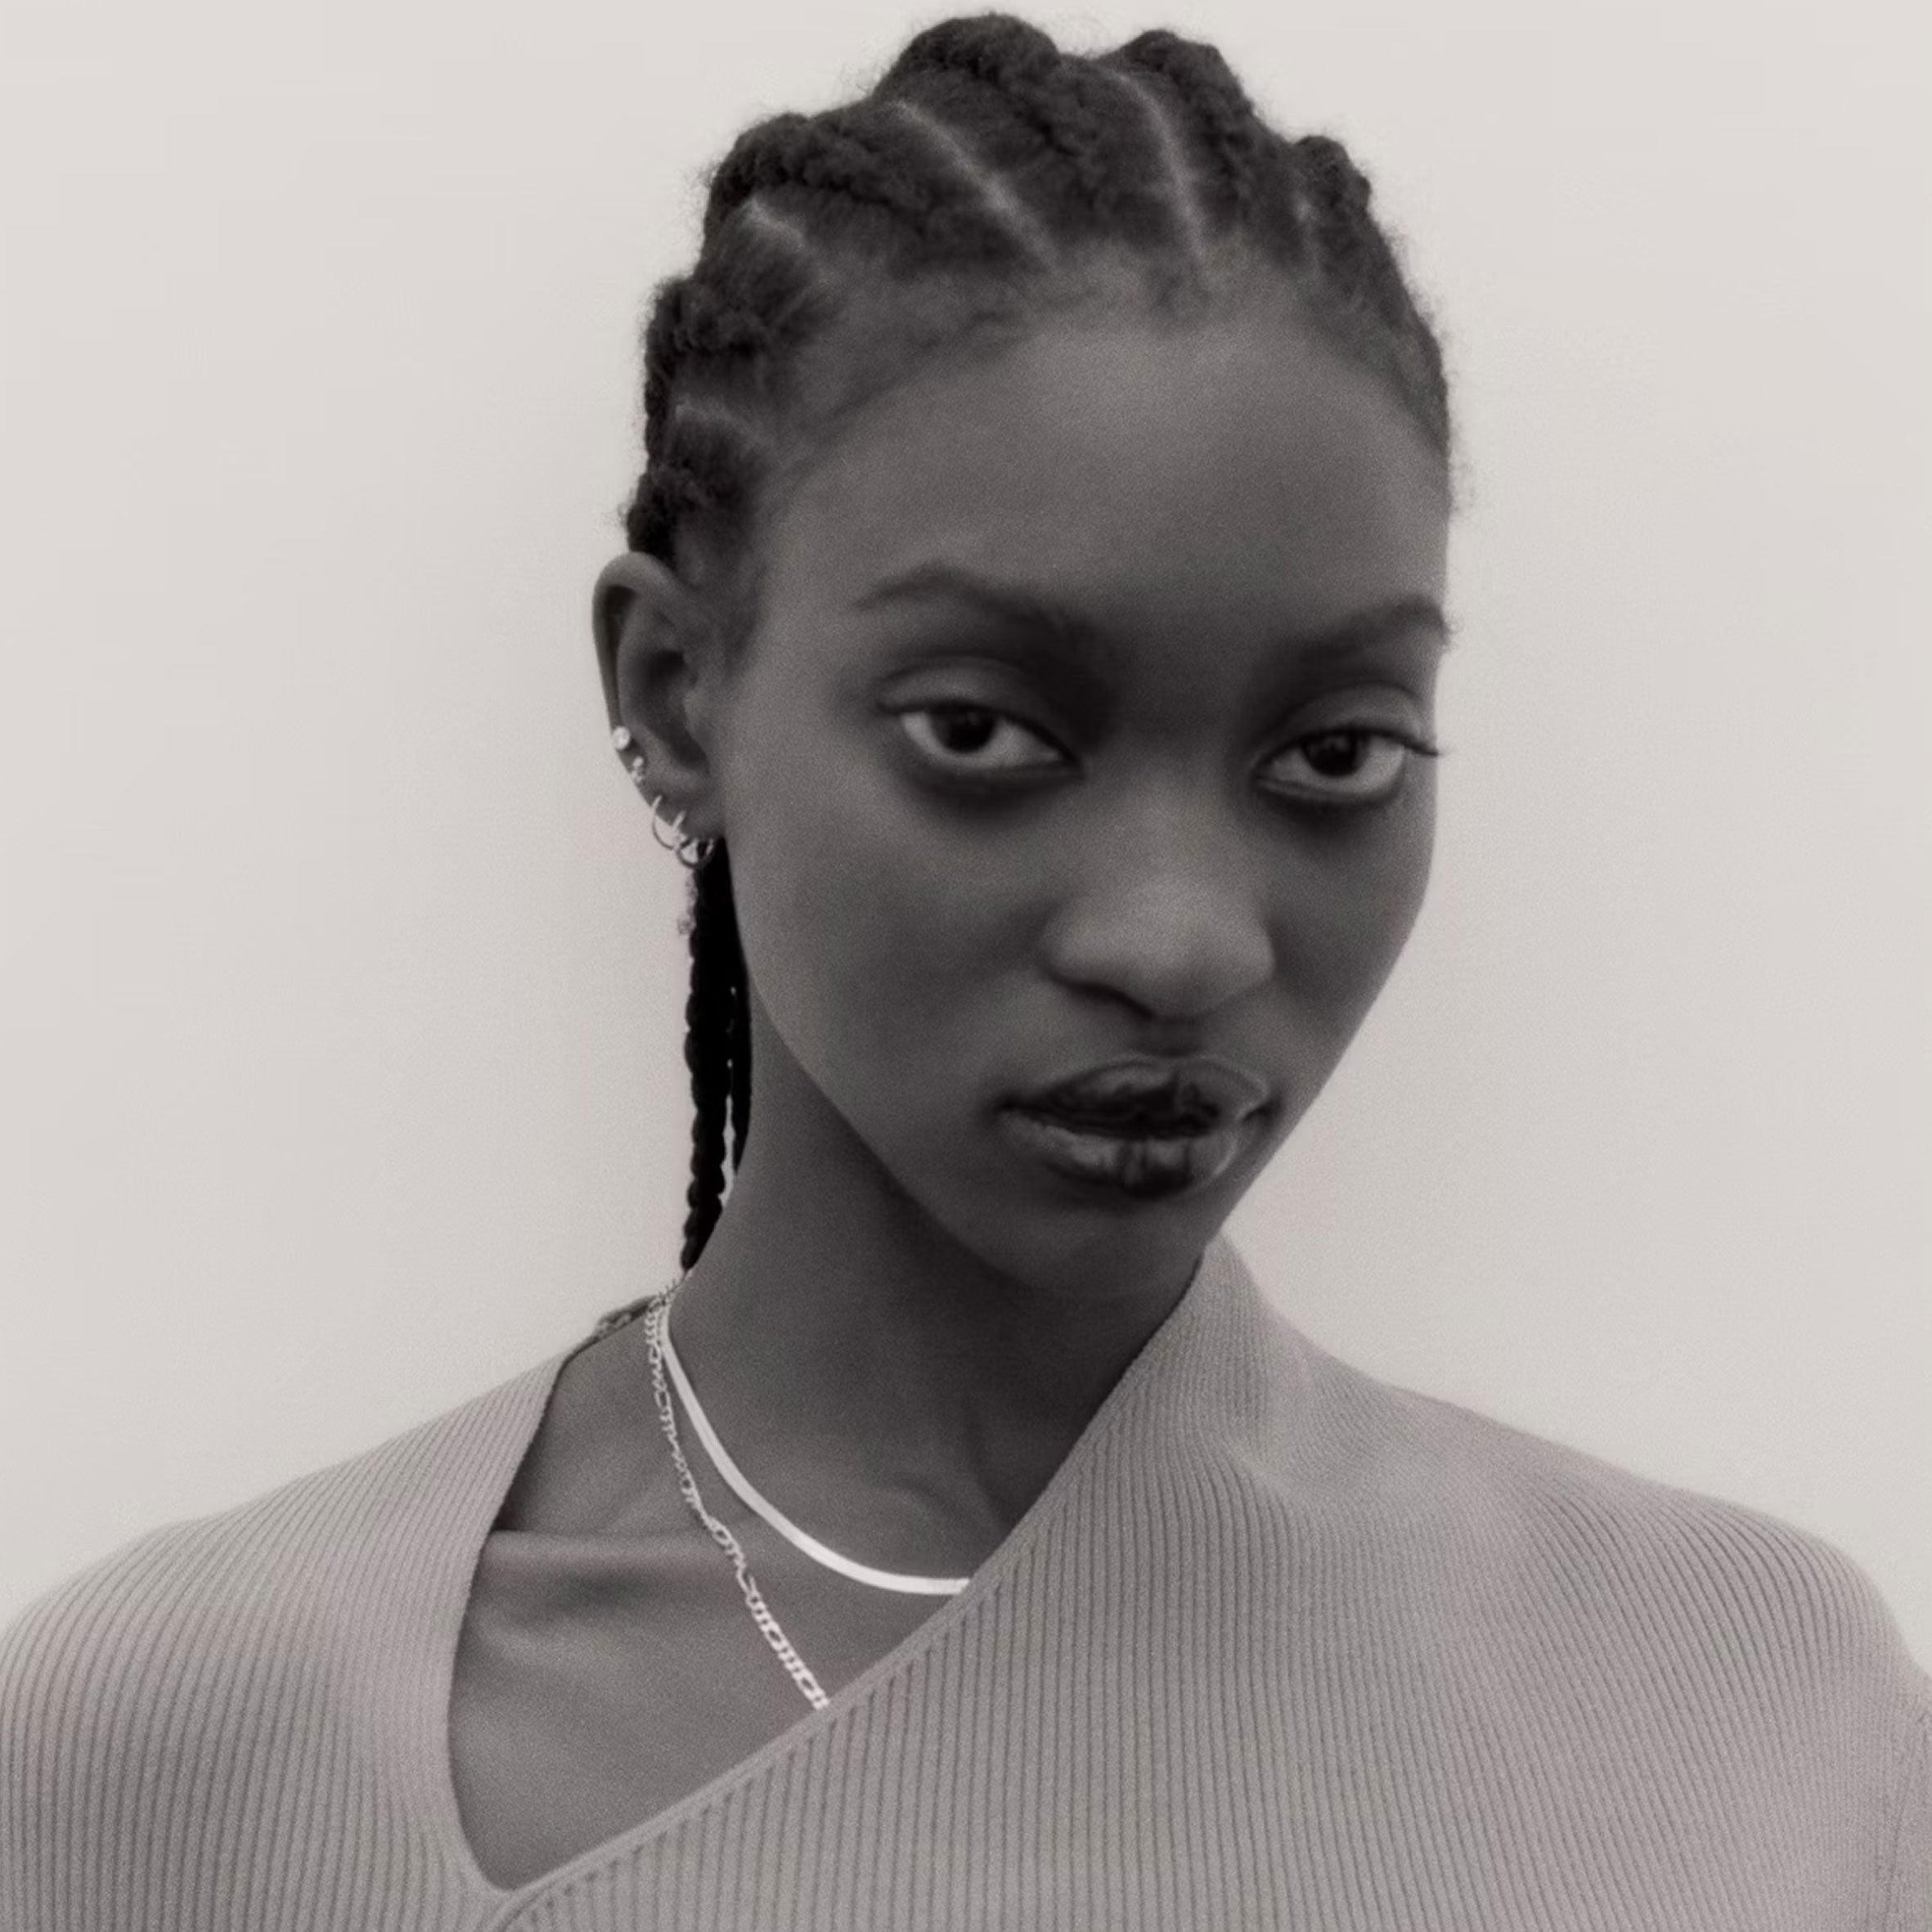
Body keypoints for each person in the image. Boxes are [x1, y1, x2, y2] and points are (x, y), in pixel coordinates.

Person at [2, 13, 1925, 1930]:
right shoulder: (163, 1754)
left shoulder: (1754, 1715)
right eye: (984, 732)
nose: (1182, 941)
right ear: (675, 692)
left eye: (1335, 752)